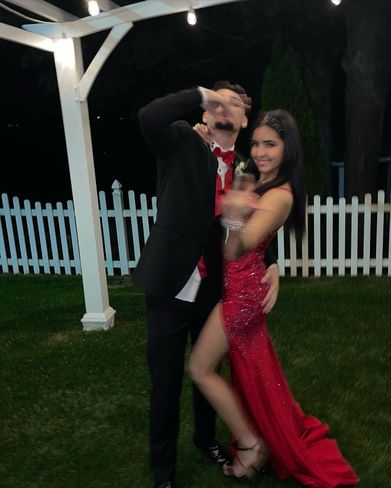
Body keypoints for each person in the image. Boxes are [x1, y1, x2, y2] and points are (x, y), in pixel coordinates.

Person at [189, 110, 360, 487]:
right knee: (250, 375)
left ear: (288, 149)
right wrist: (274, 265)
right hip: (244, 291)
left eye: (271, 144)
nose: (262, 151)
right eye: (258, 142)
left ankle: (251, 446)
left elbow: (238, 249)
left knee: (200, 368)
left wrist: (233, 220)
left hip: (243, 298)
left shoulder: (280, 195)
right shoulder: (262, 182)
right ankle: (256, 437)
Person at [133, 82, 280, 488]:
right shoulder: (180, 140)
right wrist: (199, 93)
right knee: (165, 383)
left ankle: (205, 439)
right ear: (205, 113)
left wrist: (272, 265)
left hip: (214, 290)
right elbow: (148, 117)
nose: (225, 108)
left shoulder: (248, 173)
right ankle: (163, 473)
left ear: (245, 119)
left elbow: (252, 230)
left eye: (235, 104)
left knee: (207, 370)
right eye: (217, 102)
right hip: (168, 286)